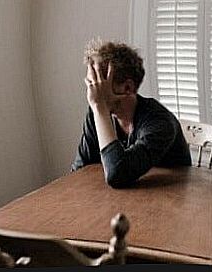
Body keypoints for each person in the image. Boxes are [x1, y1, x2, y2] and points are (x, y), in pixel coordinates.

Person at [71, 39, 192, 188]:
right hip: (123, 199)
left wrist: (100, 108)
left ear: (127, 87)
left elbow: (118, 174)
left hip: (171, 200)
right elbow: (79, 171)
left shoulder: (160, 122)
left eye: (98, 84)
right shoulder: (96, 112)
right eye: (90, 83)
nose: (92, 93)